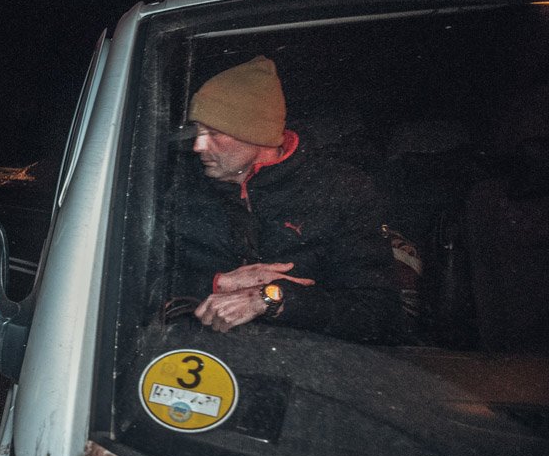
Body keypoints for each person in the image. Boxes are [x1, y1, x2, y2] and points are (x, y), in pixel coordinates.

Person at [172, 55, 401, 343]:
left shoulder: (340, 191)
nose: (198, 145)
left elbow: (377, 315)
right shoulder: (179, 188)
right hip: (198, 356)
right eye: (197, 131)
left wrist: (274, 300)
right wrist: (219, 283)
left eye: (214, 133)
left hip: (311, 363)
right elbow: (137, 280)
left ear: (256, 133)